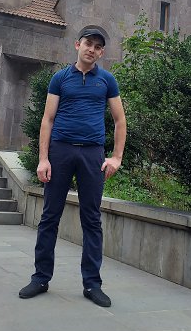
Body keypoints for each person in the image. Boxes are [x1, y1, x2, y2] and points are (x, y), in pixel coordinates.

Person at [19, 29, 126, 307]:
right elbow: (47, 119)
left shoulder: (107, 80)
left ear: (102, 52)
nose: (92, 49)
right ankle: (40, 278)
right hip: (61, 151)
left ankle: (92, 284)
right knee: (49, 216)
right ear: (78, 45)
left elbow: (119, 120)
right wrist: (43, 159)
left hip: (92, 154)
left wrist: (116, 157)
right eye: (88, 44)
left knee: (92, 219)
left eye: (98, 47)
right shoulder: (60, 78)